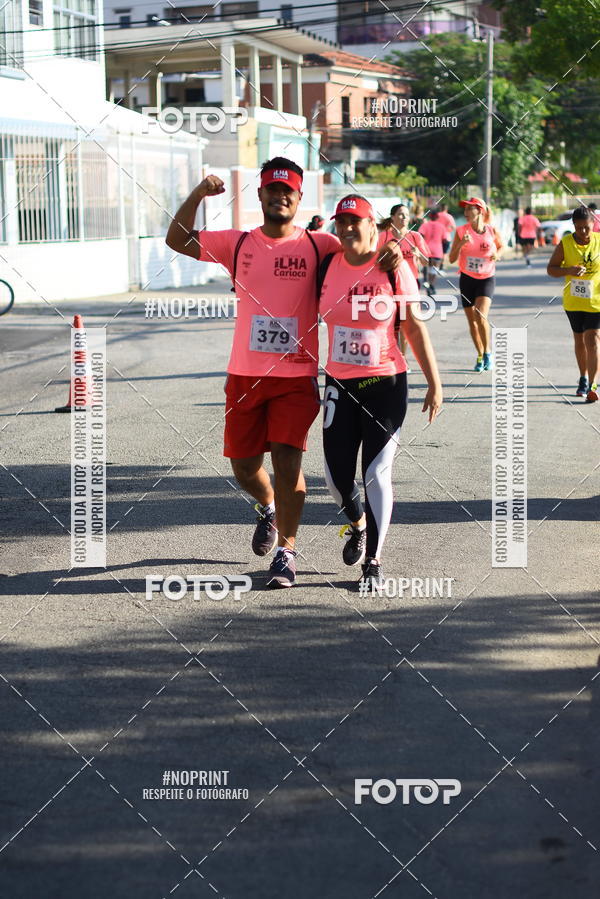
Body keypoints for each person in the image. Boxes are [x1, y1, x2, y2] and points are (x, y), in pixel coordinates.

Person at [165, 158, 403, 588]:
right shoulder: (237, 243)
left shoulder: (320, 246)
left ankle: (286, 552)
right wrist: (199, 194)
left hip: (296, 377)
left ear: (298, 198)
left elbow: (364, 241)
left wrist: (394, 244)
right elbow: (176, 239)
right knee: (243, 466)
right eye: (272, 190)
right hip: (244, 375)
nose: (280, 197)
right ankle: (268, 507)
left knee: (287, 462)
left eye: (288, 191)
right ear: (260, 195)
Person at [319, 195, 443, 592]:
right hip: (339, 384)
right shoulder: (326, 264)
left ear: (374, 226)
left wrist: (435, 382)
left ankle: (373, 559)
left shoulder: (394, 268)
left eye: (357, 221)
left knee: (375, 472)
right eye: (342, 222)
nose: (349, 228)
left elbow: (414, 328)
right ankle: (356, 523)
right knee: (335, 479)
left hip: (386, 383)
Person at [547, 206, 600, 402]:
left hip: (596, 301)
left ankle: (594, 385)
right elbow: (551, 269)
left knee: (593, 339)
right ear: (573, 226)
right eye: (579, 228)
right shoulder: (566, 243)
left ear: (593, 224)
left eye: (586, 227)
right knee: (579, 341)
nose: (583, 232)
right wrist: (568, 270)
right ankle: (583, 377)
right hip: (574, 301)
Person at [449, 196, 503, 372]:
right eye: (464, 209)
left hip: (487, 277)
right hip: (467, 278)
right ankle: (479, 355)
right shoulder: (460, 231)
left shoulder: (492, 230)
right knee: (472, 322)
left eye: (469, 209)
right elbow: (450, 259)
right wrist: (461, 244)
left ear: (479, 210)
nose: (465, 213)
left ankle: (488, 352)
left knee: (480, 315)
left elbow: (501, 247)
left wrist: (497, 255)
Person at [379, 203, 430, 366]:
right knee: (392, 324)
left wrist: (418, 253)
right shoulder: (384, 237)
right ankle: (393, 356)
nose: (404, 218)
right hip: (389, 285)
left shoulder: (415, 237)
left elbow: (428, 262)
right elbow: (375, 260)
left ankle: (402, 358)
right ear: (392, 217)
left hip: (410, 285)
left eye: (406, 215)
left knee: (407, 325)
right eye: (400, 214)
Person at [436, 202, 456, 271]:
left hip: (437, 237)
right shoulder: (449, 216)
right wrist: (448, 230)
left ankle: (436, 266)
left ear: (440, 208)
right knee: (444, 253)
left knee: (437, 252)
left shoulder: (437, 215)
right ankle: (441, 267)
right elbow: (454, 227)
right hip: (446, 237)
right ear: (446, 209)